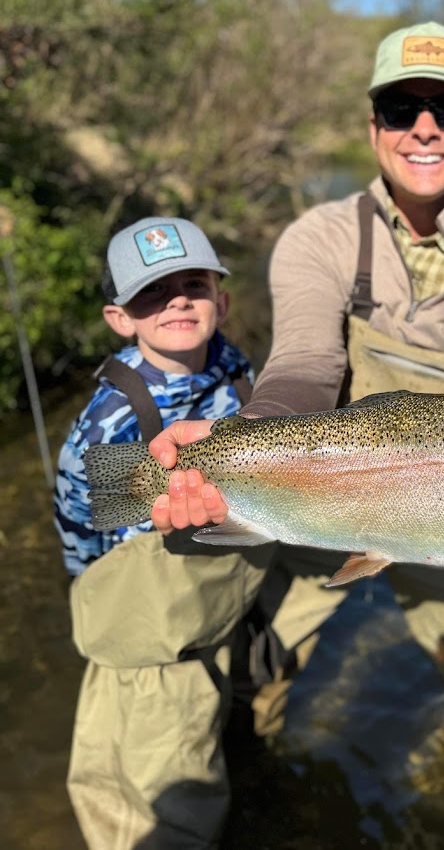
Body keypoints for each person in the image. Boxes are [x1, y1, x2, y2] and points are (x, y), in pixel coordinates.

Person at [147, 22, 444, 765]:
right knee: (248, 681)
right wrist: (242, 441)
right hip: (319, 489)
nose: (424, 129)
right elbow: (304, 367)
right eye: (401, 109)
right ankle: (259, 793)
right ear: (374, 126)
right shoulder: (318, 238)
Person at [54, 217, 271, 849]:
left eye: (193, 285)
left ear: (222, 303)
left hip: (223, 594)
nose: (177, 299)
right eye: (152, 293)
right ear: (120, 319)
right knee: (154, 793)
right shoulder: (109, 424)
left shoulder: (236, 368)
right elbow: (81, 538)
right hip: (149, 622)